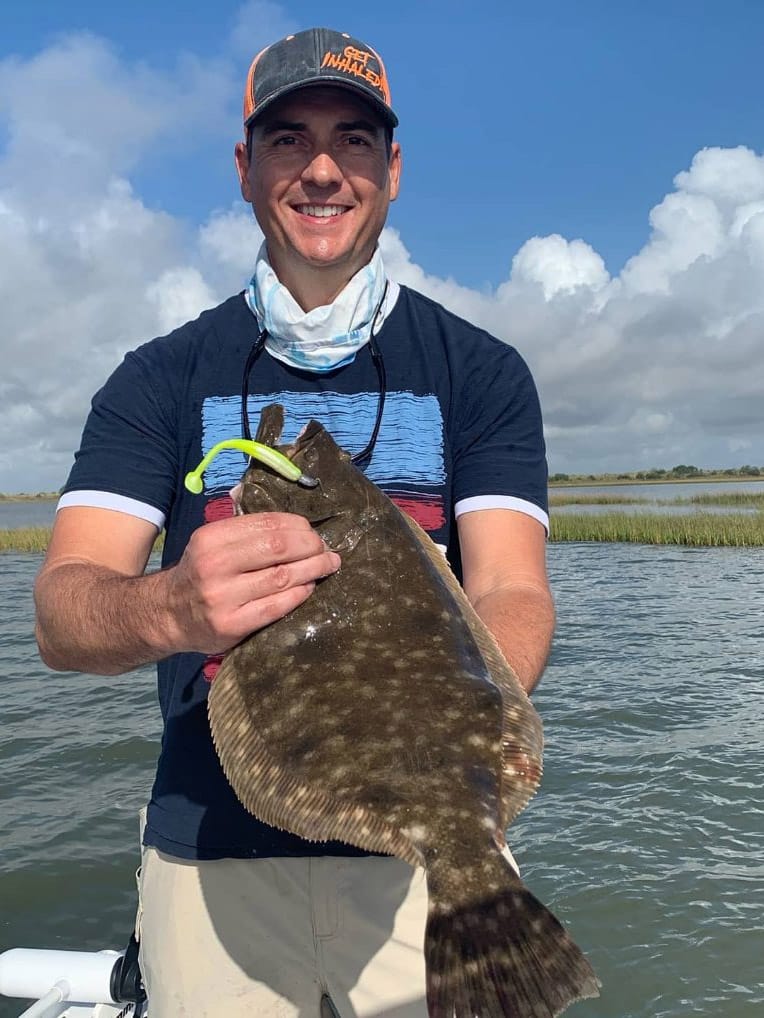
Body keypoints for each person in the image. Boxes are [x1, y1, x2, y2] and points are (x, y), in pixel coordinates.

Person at [34, 26, 555, 1018]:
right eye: (288, 141)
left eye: (353, 140)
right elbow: (63, 613)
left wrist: (441, 741)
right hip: (211, 857)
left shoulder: (481, 372)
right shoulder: (158, 378)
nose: (322, 169)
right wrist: (173, 608)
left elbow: (510, 590)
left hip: (429, 863)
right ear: (243, 168)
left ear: (392, 169)